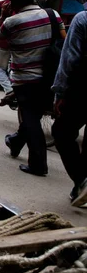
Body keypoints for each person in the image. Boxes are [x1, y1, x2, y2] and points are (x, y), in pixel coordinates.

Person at [0, 0, 66, 176]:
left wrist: (2, 16)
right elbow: (64, 43)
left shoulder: (12, 21)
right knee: (33, 116)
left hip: (26, 79)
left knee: (31, 120)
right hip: (50, 77)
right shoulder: (52, 14)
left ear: (13, 3)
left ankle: (38, 165)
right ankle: (15, 141)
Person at [52, 11, 87, 206]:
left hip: (82, 88)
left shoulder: (82, 18)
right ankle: (81, 185)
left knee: (61, 132)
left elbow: (69, 58)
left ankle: (82, 181)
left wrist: (60, 92)